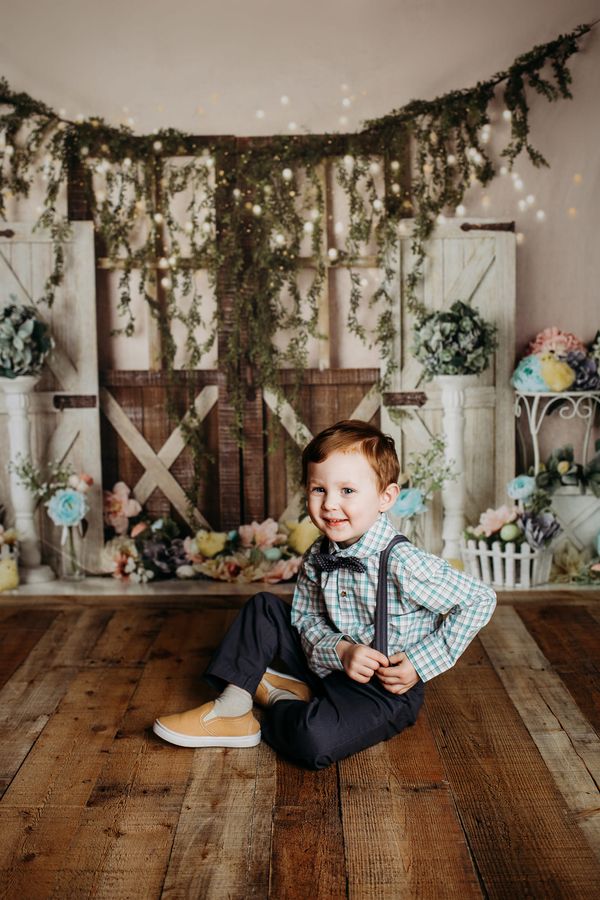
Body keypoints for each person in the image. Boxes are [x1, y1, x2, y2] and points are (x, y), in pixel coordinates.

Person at [153, 419, 496, 769]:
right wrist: (342, 650)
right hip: (326, 663)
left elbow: (479, 600)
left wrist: (419, 664)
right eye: (319, 490)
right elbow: (305, 619)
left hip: (381, 689)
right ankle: (233, 707)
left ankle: (276, 696)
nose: (330, 504)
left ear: (385, 497)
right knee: (263, 607)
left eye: (347, 491)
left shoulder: (404, 563)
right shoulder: (319, 553)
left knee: (313, 740)